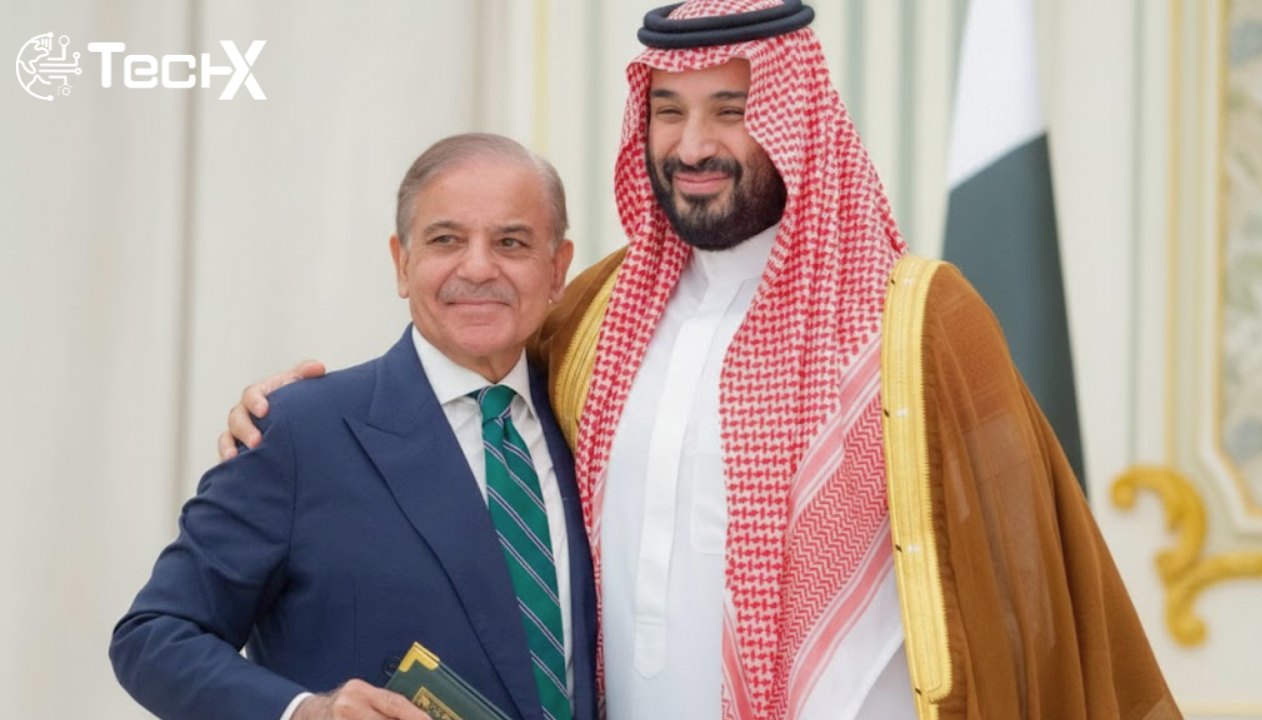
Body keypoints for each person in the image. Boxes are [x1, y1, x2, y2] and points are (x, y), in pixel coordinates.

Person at [221, 2, 1181, 719]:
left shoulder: (912, 322)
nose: (692, 146)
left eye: (732, 108)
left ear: (797, 116)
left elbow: (1031, 580)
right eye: (669, 111)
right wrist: (283, 419)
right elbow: (464, 405)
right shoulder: (594, 314)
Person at [112, 133, 598, 720]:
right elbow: (153, 636)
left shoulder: (592, 423)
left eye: (510, 242)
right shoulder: (298, 432)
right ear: (402, 263)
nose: (477, 267)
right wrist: (306, 711)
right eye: (445, 239)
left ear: (557, 269)